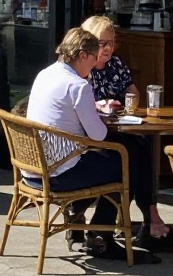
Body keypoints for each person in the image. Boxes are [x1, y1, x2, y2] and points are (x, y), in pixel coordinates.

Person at [25, 27, 158, 263]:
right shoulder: (78, 85)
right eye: (94, 58)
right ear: (83, 56)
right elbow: (97, 135)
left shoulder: (45, 74)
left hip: (32, 168)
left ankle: (79, 216)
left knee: (117, 157)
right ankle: (102, 237)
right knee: (127, 162)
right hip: (58, 173)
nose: (95, 64)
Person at [81, 14, 170, 245]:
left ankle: (142, 218)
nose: (108, 48)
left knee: (141, 146)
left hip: (117, 126)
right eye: (102, 43)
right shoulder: (83, 68)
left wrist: (129, 104)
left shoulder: (116, 64)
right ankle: (147, 216)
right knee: (133, 153)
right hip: (91, 133)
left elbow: (133, 92)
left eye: (111, 42)